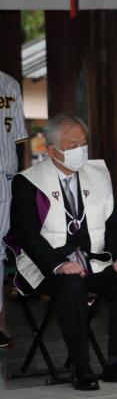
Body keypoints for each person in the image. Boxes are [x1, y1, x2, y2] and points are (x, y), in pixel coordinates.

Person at [4, 114, 117, 391]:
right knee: (71, 285)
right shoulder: (29, 181)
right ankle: (80, 366)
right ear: (51, 151)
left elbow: (114, 221)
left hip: (92, 261)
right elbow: (27, 234)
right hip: (46, 265)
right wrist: (58, 264)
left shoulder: (98, 174)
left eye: (83, 143)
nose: (80, 150)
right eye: (72, 146)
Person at [0, 69, 28, 349]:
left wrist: (19, 180)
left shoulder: (9, 84)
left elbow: (19, 139)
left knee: (0, 251)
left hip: (6, 176)